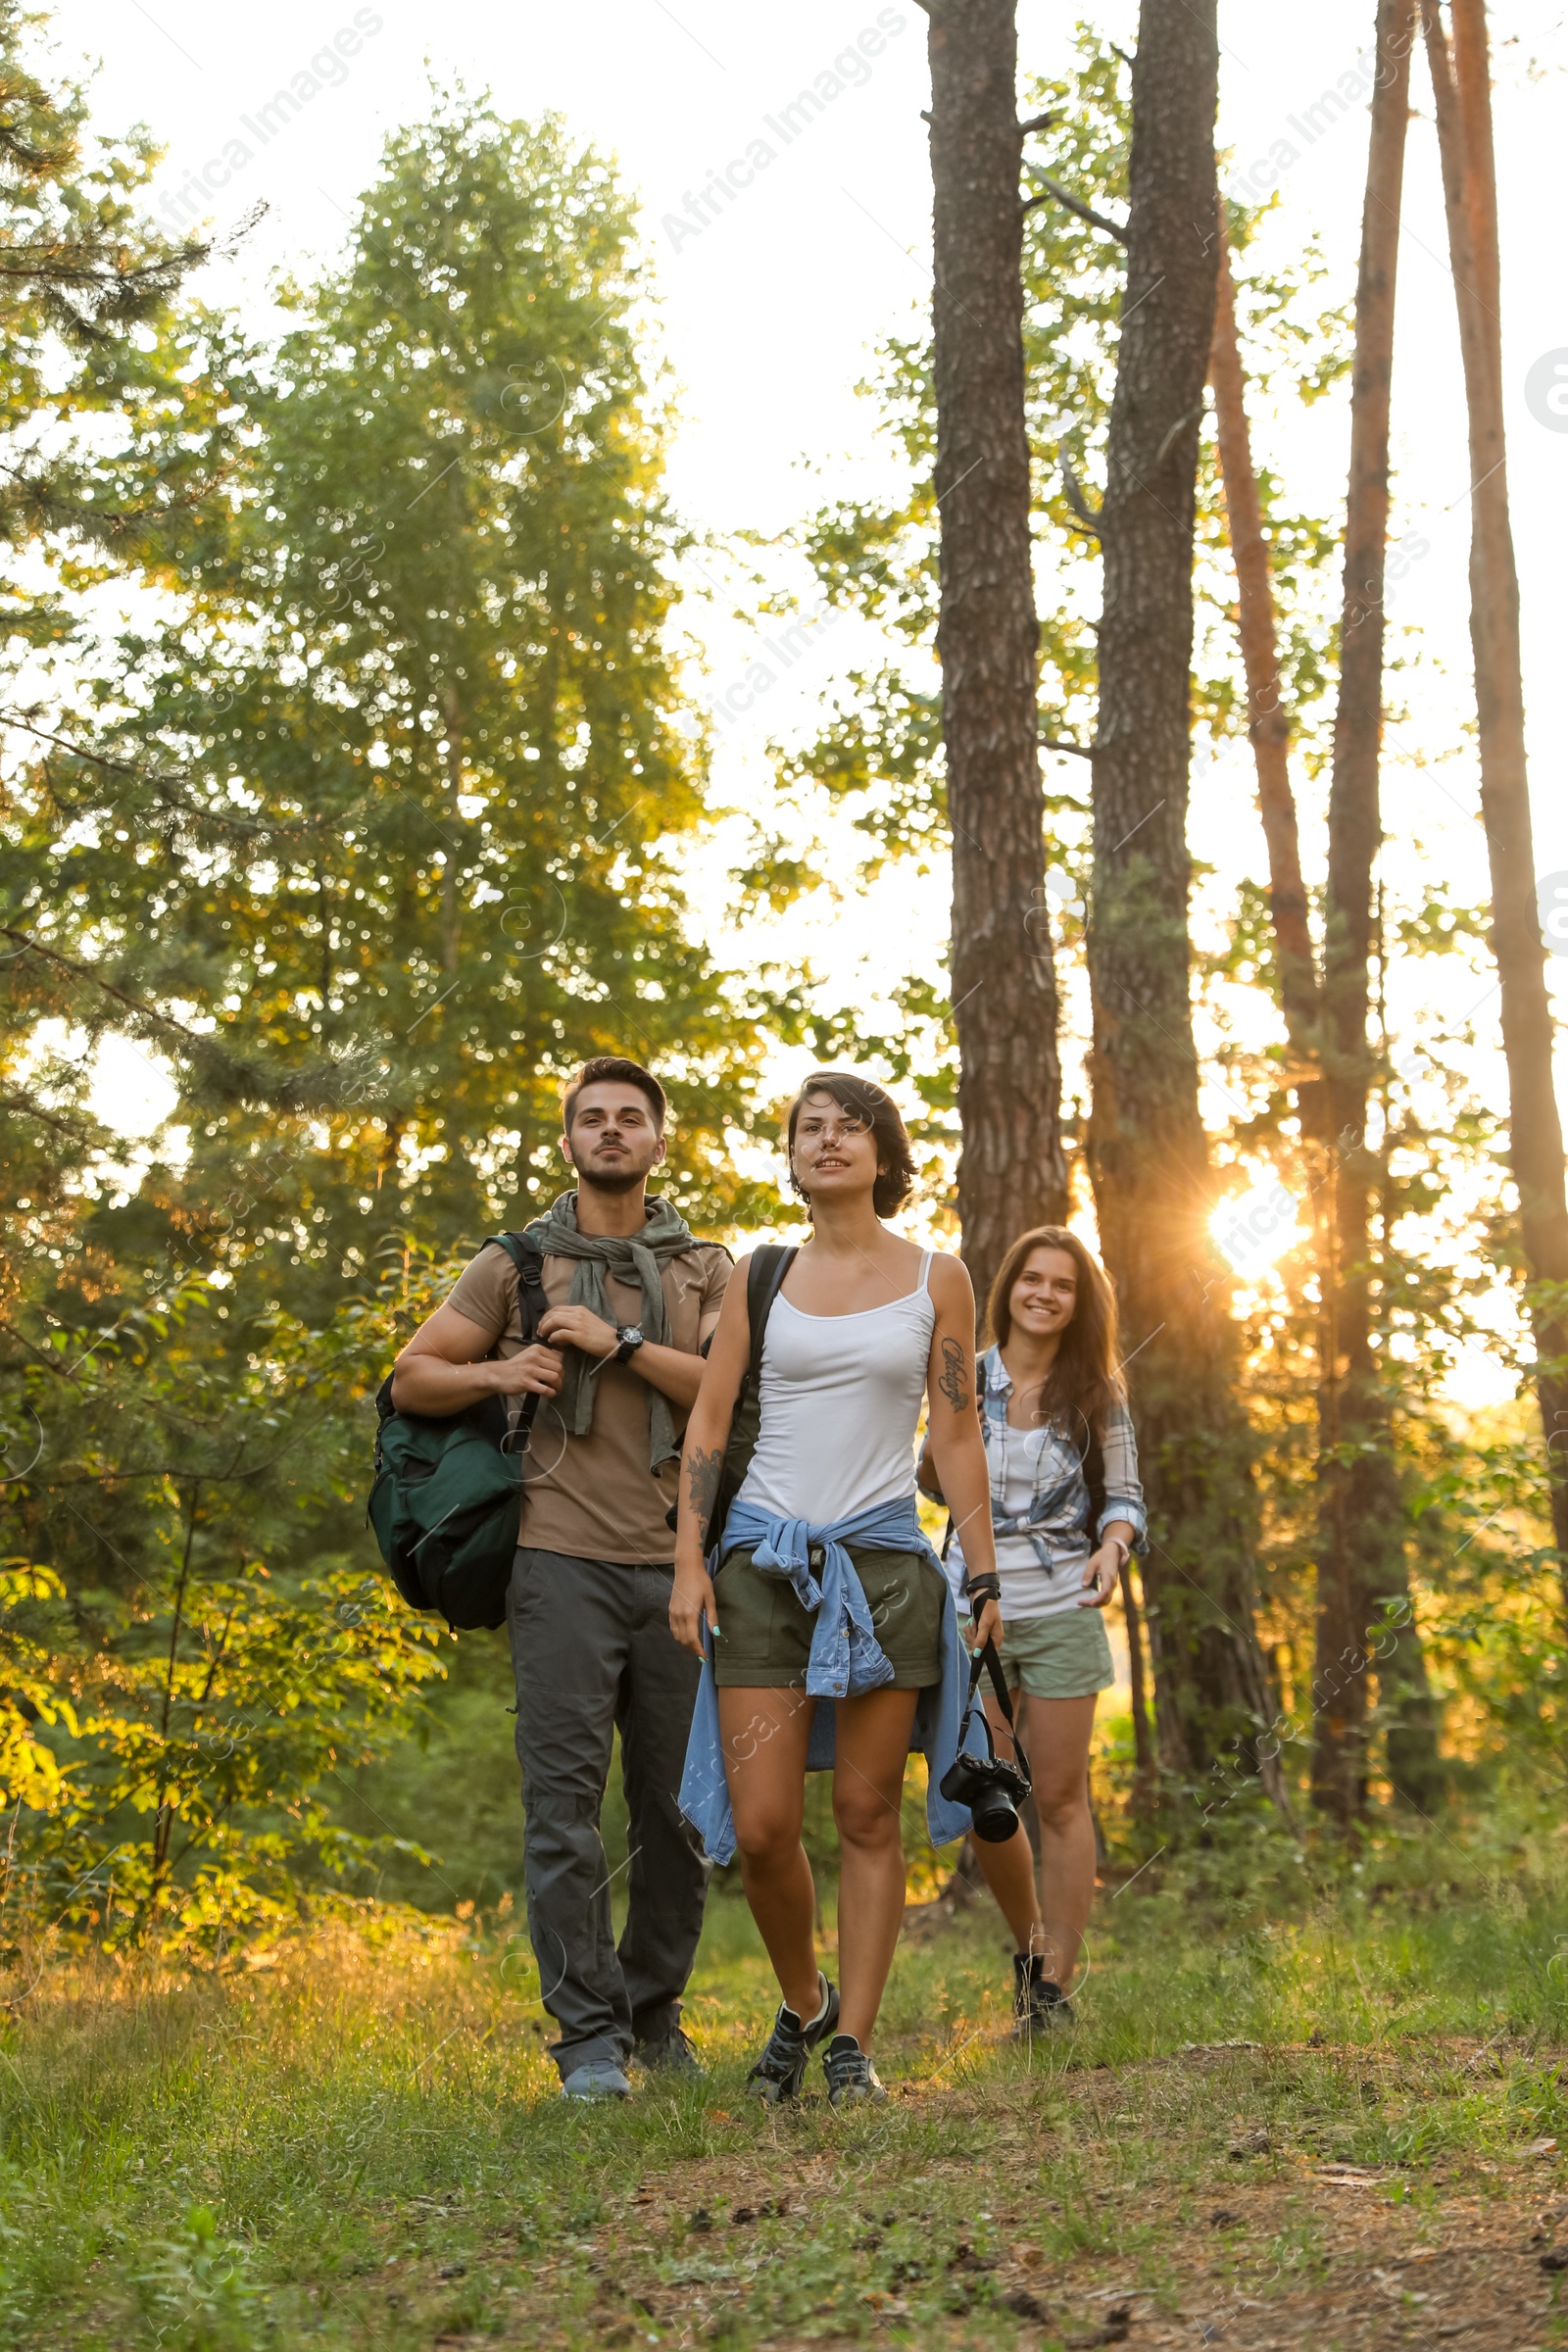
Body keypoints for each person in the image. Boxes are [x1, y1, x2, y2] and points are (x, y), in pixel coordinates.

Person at [391, 1055, 730, 2101]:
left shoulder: (705, 1267)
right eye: (594, 1118)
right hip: (556, 1566)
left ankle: (654, 2011)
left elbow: (726, 1388)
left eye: (632, 1118)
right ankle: (588, 2040)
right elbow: (412, 1373)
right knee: (561, 1811)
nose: (613, 1131)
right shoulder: (515, 1263)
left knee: (677, 1813)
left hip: (678, 1566)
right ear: (569, 1140)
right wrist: (500, 1369)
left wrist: (618, 1341)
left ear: (660, 1142)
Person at [670, 1071, 1003, 2109]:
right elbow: (711, 1423)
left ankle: (853, 2041)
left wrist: (979, 1566)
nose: (827, 1141)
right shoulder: (759, 1276)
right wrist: (688, 1559)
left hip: (886, 1570)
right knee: (764, 1828)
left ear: (883, 1153)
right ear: (794, 1158)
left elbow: (955, 1435)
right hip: (761, 1566)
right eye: (809, 1129)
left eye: (848, 1127)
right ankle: (803, 1999)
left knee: (867, 1814)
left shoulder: (937, 1276)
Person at [921, 1225, 1145, 2035]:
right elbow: (929, 1471)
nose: (1045, 1294)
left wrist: (1113, 1551)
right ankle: (1031, 1947)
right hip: (972, 1615)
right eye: (1033, 1280)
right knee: (990, 1792)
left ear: (1078, 1303)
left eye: (1063, 1285)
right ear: (1009, 1287)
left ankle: (1053, 1986)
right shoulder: (964, 1379)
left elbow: (1125, 1497)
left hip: (1061, 1612)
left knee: (1057, 1796)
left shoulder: (1095, 1392)